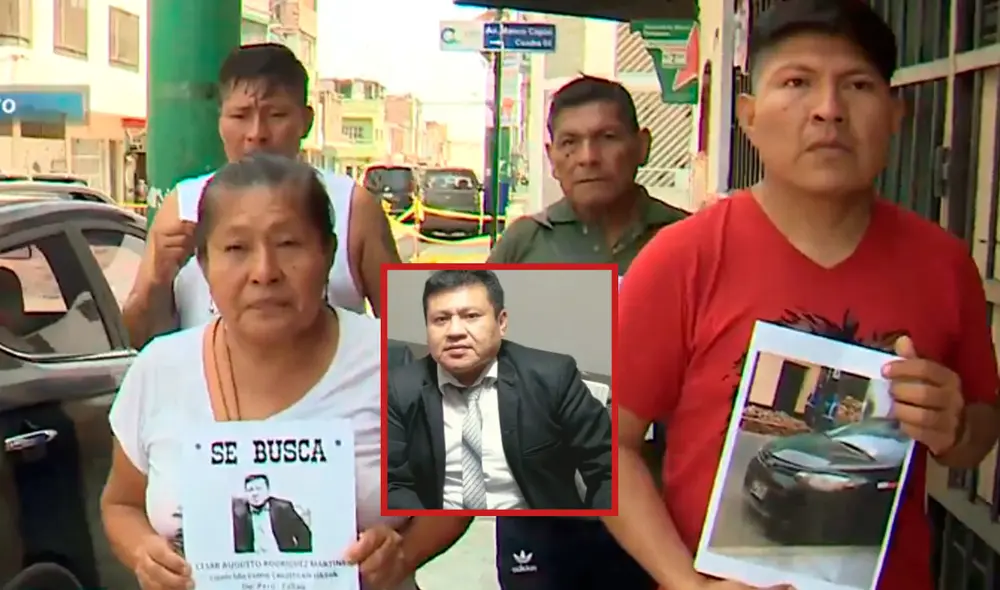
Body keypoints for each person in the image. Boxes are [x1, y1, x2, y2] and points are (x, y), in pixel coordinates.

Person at [609, 2, 1000, 590]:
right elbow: (603, 447)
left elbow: (977, 437)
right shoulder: (683, 258)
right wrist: (683, 582)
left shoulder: (945, 265)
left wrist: (954, 428)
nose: (828, 110)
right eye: (796, 82)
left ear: (896, 114)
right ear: (748, 115)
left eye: (858, 85)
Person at [100, 154, 470, 590]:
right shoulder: (160, 370)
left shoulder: (402, 364)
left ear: (328, 253)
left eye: (289, 244)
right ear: (203, 264)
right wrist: (145, 552)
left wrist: (402, 554)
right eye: (236, 248)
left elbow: (459, 495)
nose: (264, 273)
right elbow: (121, 503)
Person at [486, 76, 677, 590]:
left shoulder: (684, 242)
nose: (588, 156)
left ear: (642, 145)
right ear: (551, 156)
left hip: (655, 502)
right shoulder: (524, 244)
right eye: (570, 142)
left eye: (607, 138)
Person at [123, 43, 401, 349]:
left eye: (276, 114)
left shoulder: (354, 206)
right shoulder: (182, 206)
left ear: (306, 121)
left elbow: (413, 331)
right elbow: (138, 341)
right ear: (220, 121)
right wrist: (155, 281)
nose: (257, 133)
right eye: (240, 115)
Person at [385, 269, 613, 511]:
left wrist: (591, 533)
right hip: (442, 533)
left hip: (538, 532)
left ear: (501, 322)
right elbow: (394, 483)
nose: (454, 332)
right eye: (440, 320)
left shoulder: (552, 377)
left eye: (471, 316)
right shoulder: (400, 389)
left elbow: (609, 469)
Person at [233, 474, 312, 554]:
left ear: (268, 491)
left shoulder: (283, 508)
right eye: (250, 490)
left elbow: (304, 534)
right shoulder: (238, 515)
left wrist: (298, 558)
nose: (255, 494)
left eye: (259, 489)